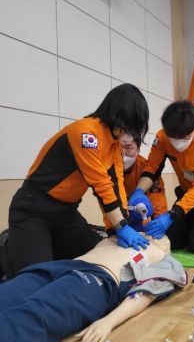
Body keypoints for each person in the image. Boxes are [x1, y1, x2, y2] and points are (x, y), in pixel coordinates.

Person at [0, 84, 150, 279]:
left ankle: (43, 246)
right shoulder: (86, 133)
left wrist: (115, 229)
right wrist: (122, 227)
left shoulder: (114, 146)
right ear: (118, 114)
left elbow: (116, 186)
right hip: (33, 210)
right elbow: (101, 185)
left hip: (66, 214)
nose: (131, 134)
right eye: (131, 126)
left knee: (98, 256)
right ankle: (7, 245)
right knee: (36, 278)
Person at [0, 235, 187, 342]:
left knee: (26, 320)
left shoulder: (165, 258)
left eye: (162, 236)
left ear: (166, 246)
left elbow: (147, 291)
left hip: (94, 279)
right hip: (58, 267)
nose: (151, 232)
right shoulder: (119, 236)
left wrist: (108, 321)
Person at [129, 100, 194, 253]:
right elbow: (152, 168)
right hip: (186, 193)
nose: (177, 143)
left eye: (184, 137)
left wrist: (172, 215)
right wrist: (139, 191)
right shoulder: (162, 137)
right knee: (172, 240)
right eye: (172, 138)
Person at [121, 136, 168, 229]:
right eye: (118, 148)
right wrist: (112, 228)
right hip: (121, 218)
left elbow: (158, 202)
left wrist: (158, 223)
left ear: (138, 150)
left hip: (146, 218)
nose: (122, 153)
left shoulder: (148, 171)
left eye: (128, 148)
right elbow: (107, 203)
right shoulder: (107, 170)